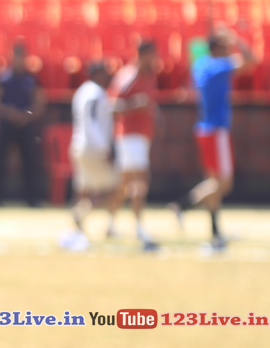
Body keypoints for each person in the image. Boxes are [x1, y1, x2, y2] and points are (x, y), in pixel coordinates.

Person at [170, 29, 258, 250]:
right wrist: (236, 38)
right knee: (223, 184)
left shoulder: (201, 64)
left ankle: (216, 232)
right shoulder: (219, 67)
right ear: (217, 48)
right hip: (217, 130)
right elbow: (251, 61)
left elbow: (195, 50)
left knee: (213, 183)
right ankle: (182, 205)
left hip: (204, 129)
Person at [62, 62, 119, 250]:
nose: (107, 76)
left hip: (79, 144)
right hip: (92, 147)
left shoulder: (82, 91)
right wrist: (104, 147)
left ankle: (78, 229)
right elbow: (91, 121)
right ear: (96, 73)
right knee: (114, 188)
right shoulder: (95, 92)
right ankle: (85, 218)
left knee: (84, 189)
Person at [109, 40, 160, 248]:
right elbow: (112, 105)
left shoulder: (150, 76)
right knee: (140, 181)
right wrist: (135, 104)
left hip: (142, 136)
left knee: (125, 185)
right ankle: (139, 226)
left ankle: (110, 222)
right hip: (129, 136)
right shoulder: (128, 75)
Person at [0, 41, 46, 207]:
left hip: (25, 125)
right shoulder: (3, 78)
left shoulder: (31, 79)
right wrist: (9, 113)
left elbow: (39, 103)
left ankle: (32, 199)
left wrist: (26, 115)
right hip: (7, 124)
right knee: (0, 161)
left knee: (30, 162)